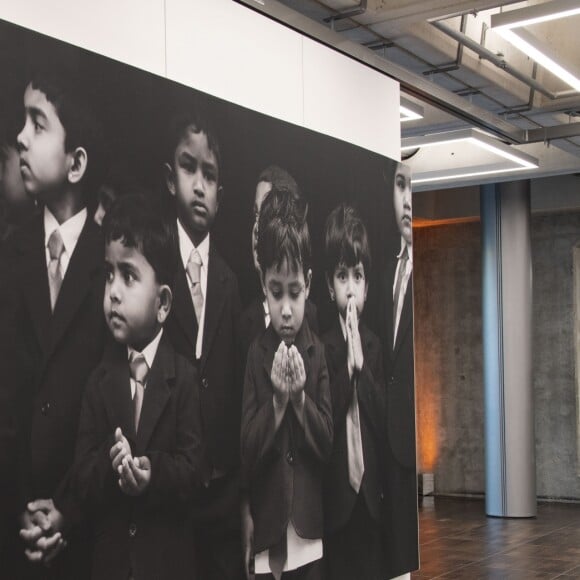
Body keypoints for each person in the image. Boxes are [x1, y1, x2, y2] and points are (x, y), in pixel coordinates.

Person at [0, 69, 106, 579]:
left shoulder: (111, 265)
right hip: (15, 536)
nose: (20, 136)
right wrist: (19, 508)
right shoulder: (9, 256)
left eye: (38, 125)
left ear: (76, 162)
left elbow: (119, 413)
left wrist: (68, 510)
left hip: (87, 538)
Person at [73, 194, 203, 579]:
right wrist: (111, 464)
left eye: (128, 276)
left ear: (163, 303)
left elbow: (195, 472)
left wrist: (153, 474)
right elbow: (81, 477)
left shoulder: (183, 379)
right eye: (109, 274)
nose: (113, 291)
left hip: (167, 566)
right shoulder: (98, 381)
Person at [163, 103, 244, 579]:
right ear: (169, 177)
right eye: (188, 167)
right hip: (170, 486)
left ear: (220, 192)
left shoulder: (233, 283)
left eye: (209, 175)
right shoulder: (154, 271)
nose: (199, 184)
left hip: (222, 489)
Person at [241, 193, 333, 580]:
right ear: (263, 284)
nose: (286, 309)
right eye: (275, 292)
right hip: (268, 534)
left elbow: (327, 444)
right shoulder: (255, 354)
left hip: (310, 535)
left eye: (294, 292)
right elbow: (247, 450)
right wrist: (277, 401)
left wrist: (299, 399)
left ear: (309, 284)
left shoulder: (317, 352)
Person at [321, 204, 386, 580]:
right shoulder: (323, 346)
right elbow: (325, 424)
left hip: (371, 499)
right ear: (330, 286)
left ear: (367, 286)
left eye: (357, 277)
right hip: (338, 505)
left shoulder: (375, 346)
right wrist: (347, 367)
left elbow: (380, 421)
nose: (349, 288)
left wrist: (362, 363)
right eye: (342, 276)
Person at [381, 161, 418, 579]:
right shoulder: (390, 267)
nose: (407, 200)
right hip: (389, 439)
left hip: (410, 438)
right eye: (400, 185)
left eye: (413, 187)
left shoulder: (416, 269)